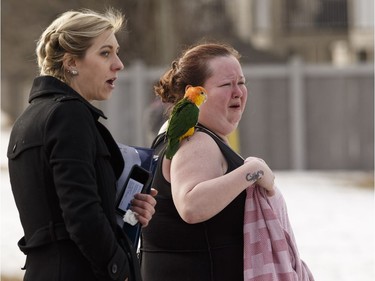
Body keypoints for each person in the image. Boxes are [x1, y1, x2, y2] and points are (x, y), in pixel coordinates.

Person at [140, 43, 314, 281]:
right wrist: (252, 171)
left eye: (241, 83)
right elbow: (191, 206)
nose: (238, 92)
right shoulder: (197, 142)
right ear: (195, 92)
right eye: (226, 85)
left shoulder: (176, 134)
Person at [7, 8, 157, 281]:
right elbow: (81, 215)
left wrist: (127, 209)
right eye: (105, 52)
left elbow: (62, 208)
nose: (119, 64)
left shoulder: (29, 118)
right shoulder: (69, 115)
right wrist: (119, 269)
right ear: (71, 62)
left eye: (117, 51)